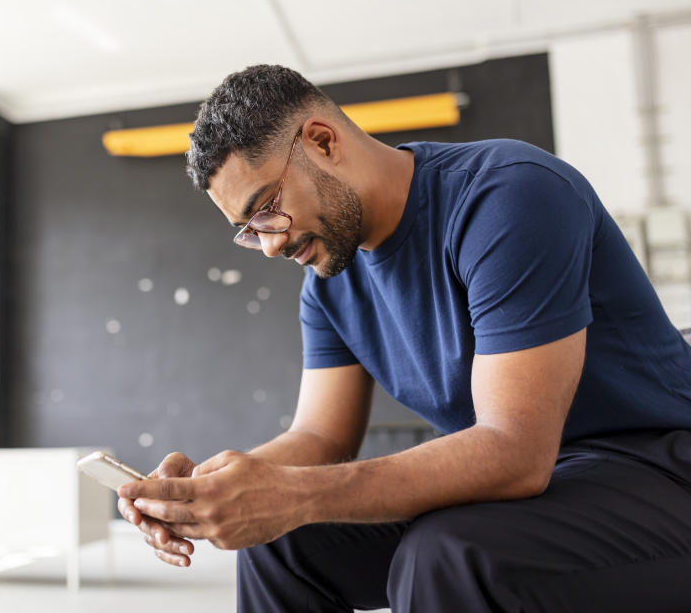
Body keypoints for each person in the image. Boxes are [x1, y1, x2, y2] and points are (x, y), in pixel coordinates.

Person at [117, 64, 691, 612]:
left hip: (656, 472)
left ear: (321, 141)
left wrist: (290, 495)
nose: (269, 245)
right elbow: (319, 435)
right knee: (277, 545)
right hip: (537, 485)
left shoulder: (507, 196)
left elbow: (517, 453)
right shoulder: (330, 283)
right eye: (249, 231)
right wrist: (213, 490)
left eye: (267, 210)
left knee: (446, 553)